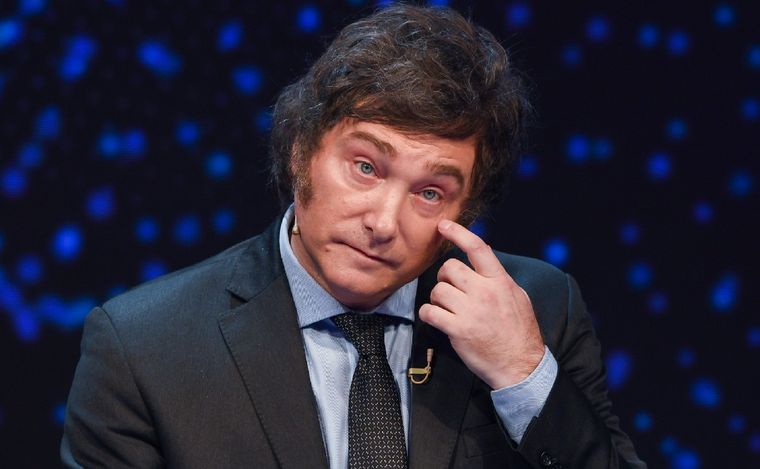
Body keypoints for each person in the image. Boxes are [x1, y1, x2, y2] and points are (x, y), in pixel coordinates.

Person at [62, 5, 646, 468]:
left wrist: (523, 373)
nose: (383, 222)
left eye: (430, 193)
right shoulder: (143, 349)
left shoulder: (541, 309)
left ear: (465, 212)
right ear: (301, 151)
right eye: (365, 167)